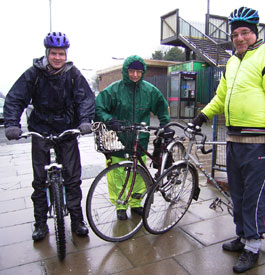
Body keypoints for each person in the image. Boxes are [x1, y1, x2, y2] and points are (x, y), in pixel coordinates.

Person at [191, 7, 265, 273]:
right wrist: (202, 115)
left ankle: (253, 247)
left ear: (255, 32)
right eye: (235, 33)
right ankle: (242, 236)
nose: (239, 38)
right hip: (235, 140)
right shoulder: (232, 62)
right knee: (237, 193)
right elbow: (221, 96)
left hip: (260, 140)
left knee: (255, 198)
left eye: (245, 32)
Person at [4, 32, 95, 241]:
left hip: (66, 130)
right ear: (47, 53)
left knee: (72, 179)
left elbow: (85, 99)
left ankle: (77, 220)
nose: (57, 57)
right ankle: (40, 223)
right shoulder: (33, 74)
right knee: (40, 181)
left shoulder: (73, 75)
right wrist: (11, 123)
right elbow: (15, 98)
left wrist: (85, 120)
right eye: (54, 53)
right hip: (41, 130)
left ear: (66, 55)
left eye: (61, 54)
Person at [95, 55, 171, 220]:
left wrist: (165, 124)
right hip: (116, 141)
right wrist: (109, 120)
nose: (135, 75)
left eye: (138, 71)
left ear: (143, 72)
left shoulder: (149, 91)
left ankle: (136, 204)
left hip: (139, 141)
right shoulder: (114, 90)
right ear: (125, 71)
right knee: (117, 176)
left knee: (138, 175)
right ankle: (120, 206)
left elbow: (162, 107)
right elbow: (99, 107)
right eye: (131, 71)